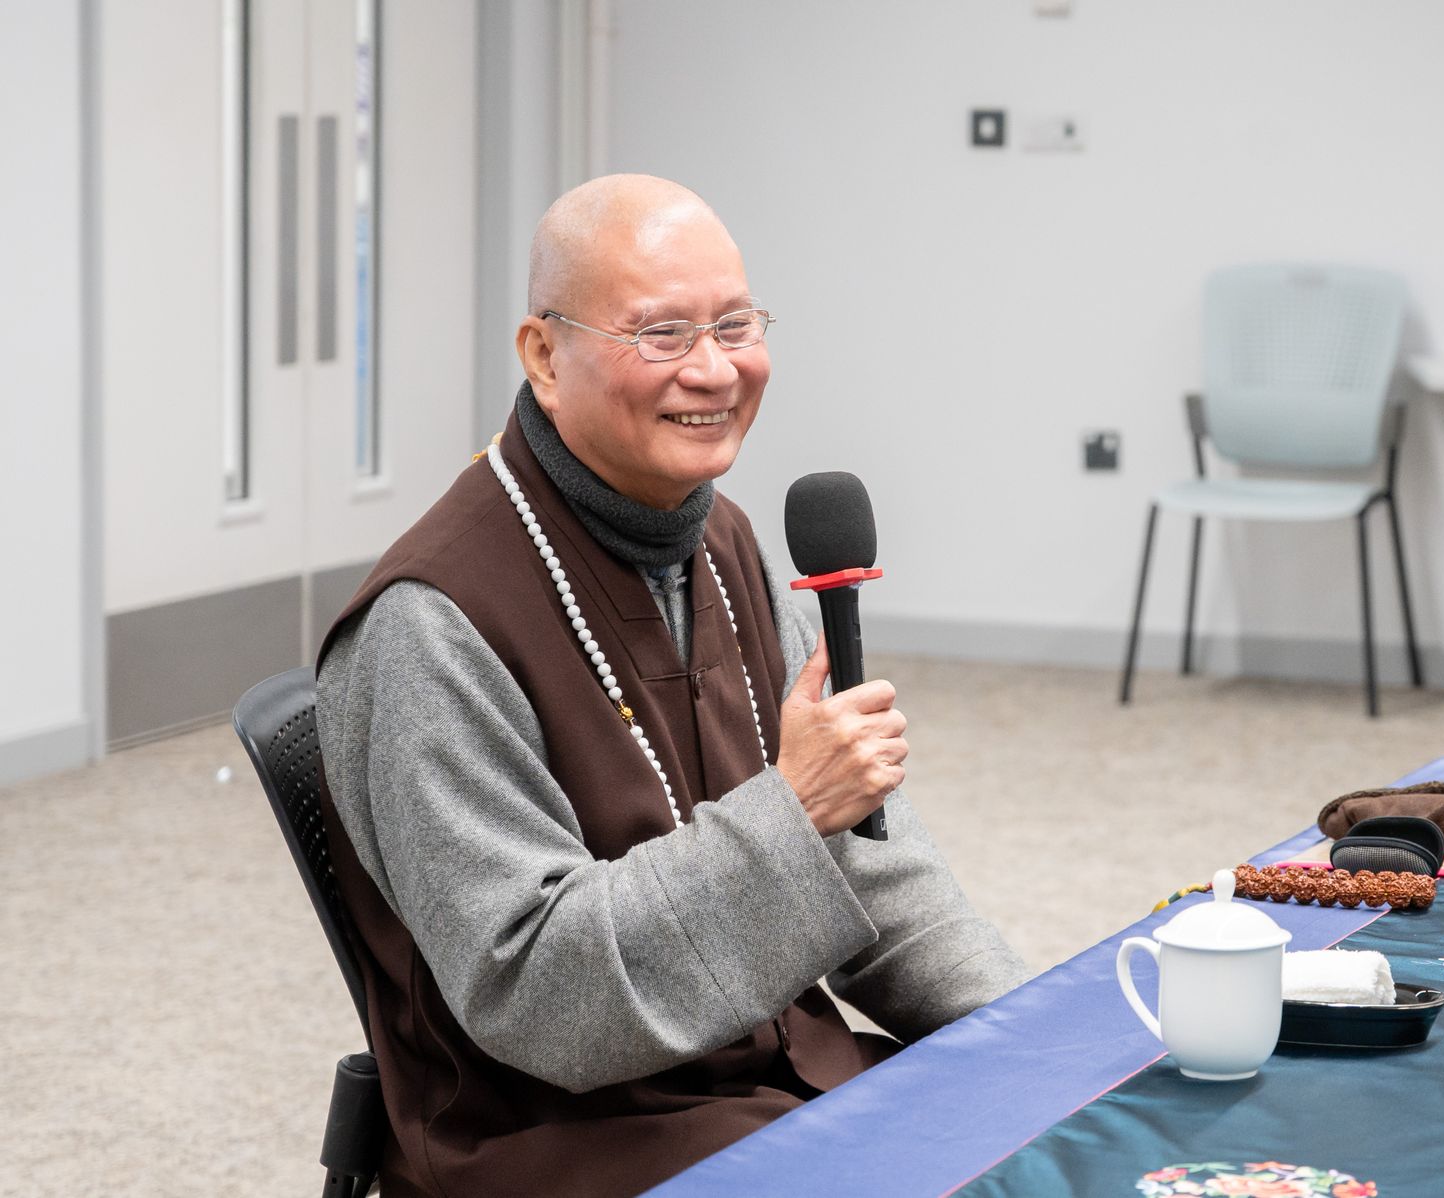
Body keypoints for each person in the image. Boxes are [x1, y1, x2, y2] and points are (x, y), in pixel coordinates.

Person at [313, 174, 1029, 1197]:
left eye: (735, 325)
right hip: (561, 1136)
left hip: (777, 1078)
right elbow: (539, 992)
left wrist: (1028, 1034)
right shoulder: (433, 621)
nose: (714, 369)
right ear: (543, 355)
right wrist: (795, 810)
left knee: (1039, 1145)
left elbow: (876, 865)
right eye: (661, 333)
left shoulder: (725, 543)